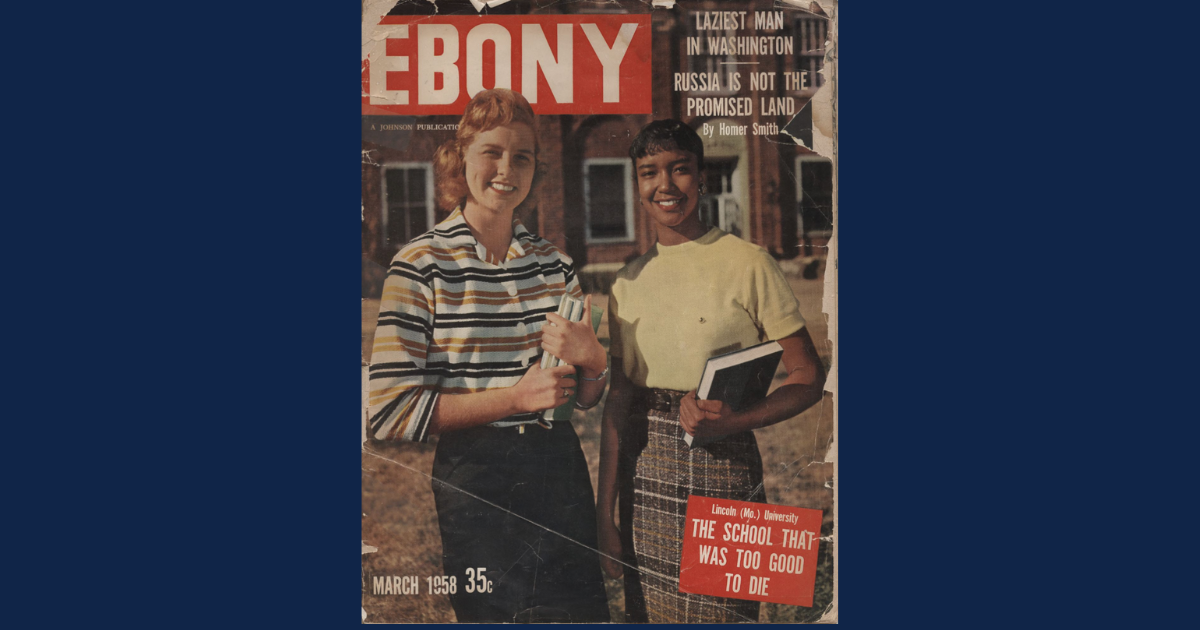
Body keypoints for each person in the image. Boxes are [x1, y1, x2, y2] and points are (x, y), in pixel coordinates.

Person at [367, 89, 611, 623]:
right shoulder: (419, 265)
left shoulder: (556, 265)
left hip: (559, 470)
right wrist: (514, 399)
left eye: (522, 156)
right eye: (492, 153)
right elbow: (388, 411)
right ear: (460, 158)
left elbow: (583, 400)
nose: (506, 170)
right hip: (476, 476)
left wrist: (594, 362)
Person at [595, 120, 827, 623]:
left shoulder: (749, 262)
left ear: (701, 177)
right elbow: (619, 401)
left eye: (679, 169)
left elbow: (809, 377)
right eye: (649, 172)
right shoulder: (626, 282)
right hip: (646, 475)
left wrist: (735, 421)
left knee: (727, 617)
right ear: (637, 184)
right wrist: (603, 514)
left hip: (727, 464)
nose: (665, 185)